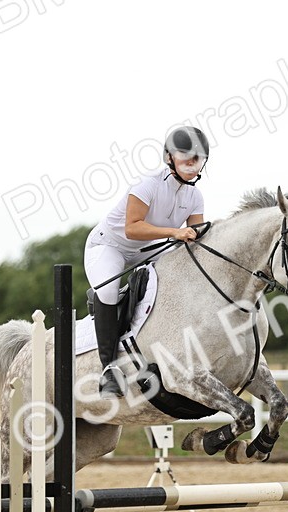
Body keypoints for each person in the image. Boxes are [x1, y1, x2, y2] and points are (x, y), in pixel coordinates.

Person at [84, 126, 209, 397]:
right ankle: (108, 370)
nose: (192, 163)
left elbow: (195, 237)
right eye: (185, 157)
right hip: (110, 246)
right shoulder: (148, 185)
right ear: (169, 158)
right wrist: (175, 232)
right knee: (107, 289)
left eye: (197, 159)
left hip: (150, 248)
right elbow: (132, 228)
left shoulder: (195, 196)